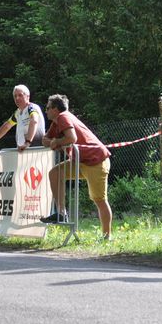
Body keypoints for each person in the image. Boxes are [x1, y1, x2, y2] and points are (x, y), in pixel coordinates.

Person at [39, 94, 113, 240]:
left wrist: (57, 142)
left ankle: (107, 236)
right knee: (55, 173)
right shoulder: (56, 122)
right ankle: (61, 213)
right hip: (80, 161)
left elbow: (71, 138)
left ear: (55, 109)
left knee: (99, 199)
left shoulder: (63, 117)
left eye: (47, 108)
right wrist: (54, 142)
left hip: (95, 161)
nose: (45, 111)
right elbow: (44, 140)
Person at [0, 84, 45, 152]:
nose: (17, 98)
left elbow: (34, 121)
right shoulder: (18, 113)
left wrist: (27, 142)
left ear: (28, 96)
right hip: (23, 150)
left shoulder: (32, 108)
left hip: (36, 150)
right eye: (15, 96)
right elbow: (7, 126)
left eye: (20, 95)